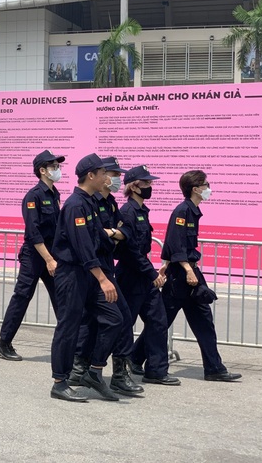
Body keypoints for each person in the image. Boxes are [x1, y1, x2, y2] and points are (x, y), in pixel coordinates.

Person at [133, 170, 242, 382]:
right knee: (160, 322)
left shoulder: (193, 211)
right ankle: (135, 358)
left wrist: (168, 266)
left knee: (204, 322)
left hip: (187, 273)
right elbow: (175, 243)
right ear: (196, 188)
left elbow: (178, 243)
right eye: (206, 185)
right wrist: (187, 270)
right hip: (182, 277)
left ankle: (214, 368)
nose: (208, 188)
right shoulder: (182, 211)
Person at [49, 153, 123, 402]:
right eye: (103, 173)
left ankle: (94, 371)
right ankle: (60, 381)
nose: (107, 177)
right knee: (68, 327)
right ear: (91, 176)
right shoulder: (75, 205)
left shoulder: (89, 202)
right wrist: (103, 278)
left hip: (90, 274)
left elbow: (98, 238)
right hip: (73, 274)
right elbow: (82, 247)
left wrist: (121, 236)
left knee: (114, 318)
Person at [67, 157, 144, 396]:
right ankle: (86, 369)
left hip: (105, 267)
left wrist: (114, 233)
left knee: (114, 317)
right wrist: (110, 233)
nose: (115, 180)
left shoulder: (110, 203)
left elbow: (126, 231)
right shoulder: (85, 203)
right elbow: (93, 236)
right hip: (91, 268)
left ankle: (109, 371)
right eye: (111, 174)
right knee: (98, 318)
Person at [0, 150, 64, 361]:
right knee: (22, 297)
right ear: (42, 170)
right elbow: (33, 232)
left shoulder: (55, 194)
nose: (58, 169)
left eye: (58, 166)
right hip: (35, 256)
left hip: (51, 254)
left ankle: (73, 344)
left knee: (62, 297)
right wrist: (49, 259)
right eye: (53, 166)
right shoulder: (33, 196)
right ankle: (4, 343)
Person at [115, 165, 180, 386]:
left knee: (158, 320)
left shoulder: (142, 211)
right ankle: (116, 371)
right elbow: (131, 251)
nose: (150, 187)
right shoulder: (127, 212)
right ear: (134, 186)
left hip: (144, 276)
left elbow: (140, 250)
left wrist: (152, 272)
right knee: (125, 325)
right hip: (131, 277)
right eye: (146, 183)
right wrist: (151, 272)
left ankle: (157, 370)